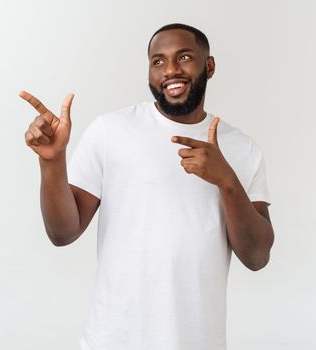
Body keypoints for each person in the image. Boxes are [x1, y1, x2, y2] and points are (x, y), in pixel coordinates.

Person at [20, 23, 274, 350]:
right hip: (112, 340)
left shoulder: (242, 148)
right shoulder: (111, 131)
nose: (170, 70)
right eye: (158, 61)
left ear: (209, 66)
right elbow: (62, 233)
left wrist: (227, 181)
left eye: (184, 57)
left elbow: (256, 256)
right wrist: (52, 163)